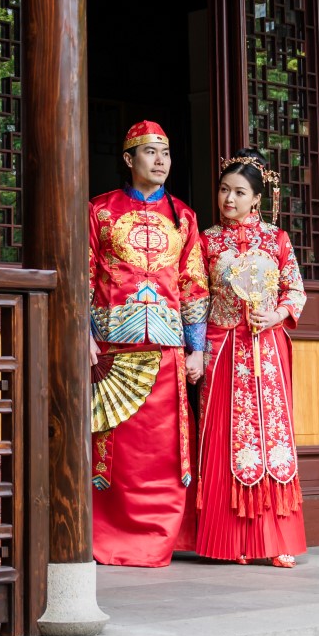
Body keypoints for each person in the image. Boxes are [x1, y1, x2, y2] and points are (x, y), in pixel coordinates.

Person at [89, 120, 208, 566]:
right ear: (128, 159)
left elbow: (193, 285)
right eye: (150, 152)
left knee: (164, 450)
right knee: (115, 447)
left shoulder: (185, 215)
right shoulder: (99, 210)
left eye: (166, 152)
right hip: (113, 352)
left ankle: (164, 536)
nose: (161, 161)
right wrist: (83, 336)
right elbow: (84, 273)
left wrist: (197, 349)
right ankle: (109, 535)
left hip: (167, 351)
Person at [196, 149, 307, 567]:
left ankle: (277, 539)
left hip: (266, 348)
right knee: (222, 437)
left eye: (239, 192)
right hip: (222, 347)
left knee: (272, 438)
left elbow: (295, 291)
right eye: (224, 190)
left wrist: (276, 313)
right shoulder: (206, 241)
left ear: (256, 198)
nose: (229, 199)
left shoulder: (276, 239)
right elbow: (195, 297)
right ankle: (230, 540)